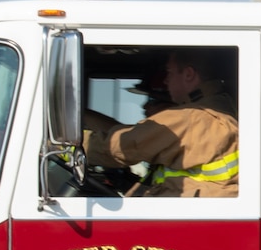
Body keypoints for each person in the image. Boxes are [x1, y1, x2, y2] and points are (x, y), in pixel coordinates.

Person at [81, 50, 239, 197]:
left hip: (186, 220)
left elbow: (123, 146)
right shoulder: (218, 109)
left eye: (169, 72)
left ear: (189, 74)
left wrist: (69, 145)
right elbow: (133, 135)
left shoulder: (192, 118)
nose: (166, 80)